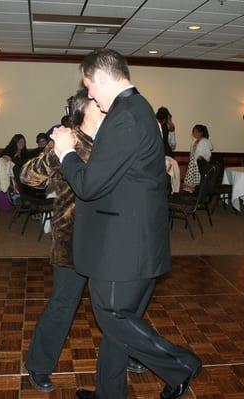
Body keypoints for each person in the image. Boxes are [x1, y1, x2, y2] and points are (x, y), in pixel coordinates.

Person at [51, 49, 201, 399]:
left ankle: (180, 365)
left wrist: (65, 152)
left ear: (102, 77)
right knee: (119, 324)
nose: (89, 94)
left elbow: (88, 186)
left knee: (114, 317)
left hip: (123, 247)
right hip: (132, 240)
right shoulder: (134, 110)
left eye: (89, 85)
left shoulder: (125, 117)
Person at [21, 88, 147, 392]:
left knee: (120, 309)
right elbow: (28, 177)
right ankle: (38, 365)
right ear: (83, 110)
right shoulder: (69, 141)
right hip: (73, 242)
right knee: (63, 305)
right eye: (98, 103)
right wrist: (56, 150)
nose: (106, 106)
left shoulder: (112, 140)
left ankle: (129, 351)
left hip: (111, 240)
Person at [183, 124, 213, 193]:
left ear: (201, 132)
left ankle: (199, 192)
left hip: (199, 164)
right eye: (193, 132)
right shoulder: (194, 141)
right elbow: (192, 152)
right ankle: (192, 192)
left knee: (198, 177)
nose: (194, 133)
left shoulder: (205, 141)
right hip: (192, 162)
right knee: (191, 177)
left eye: (195, 131)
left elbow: (208, 153)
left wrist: (203, 157)